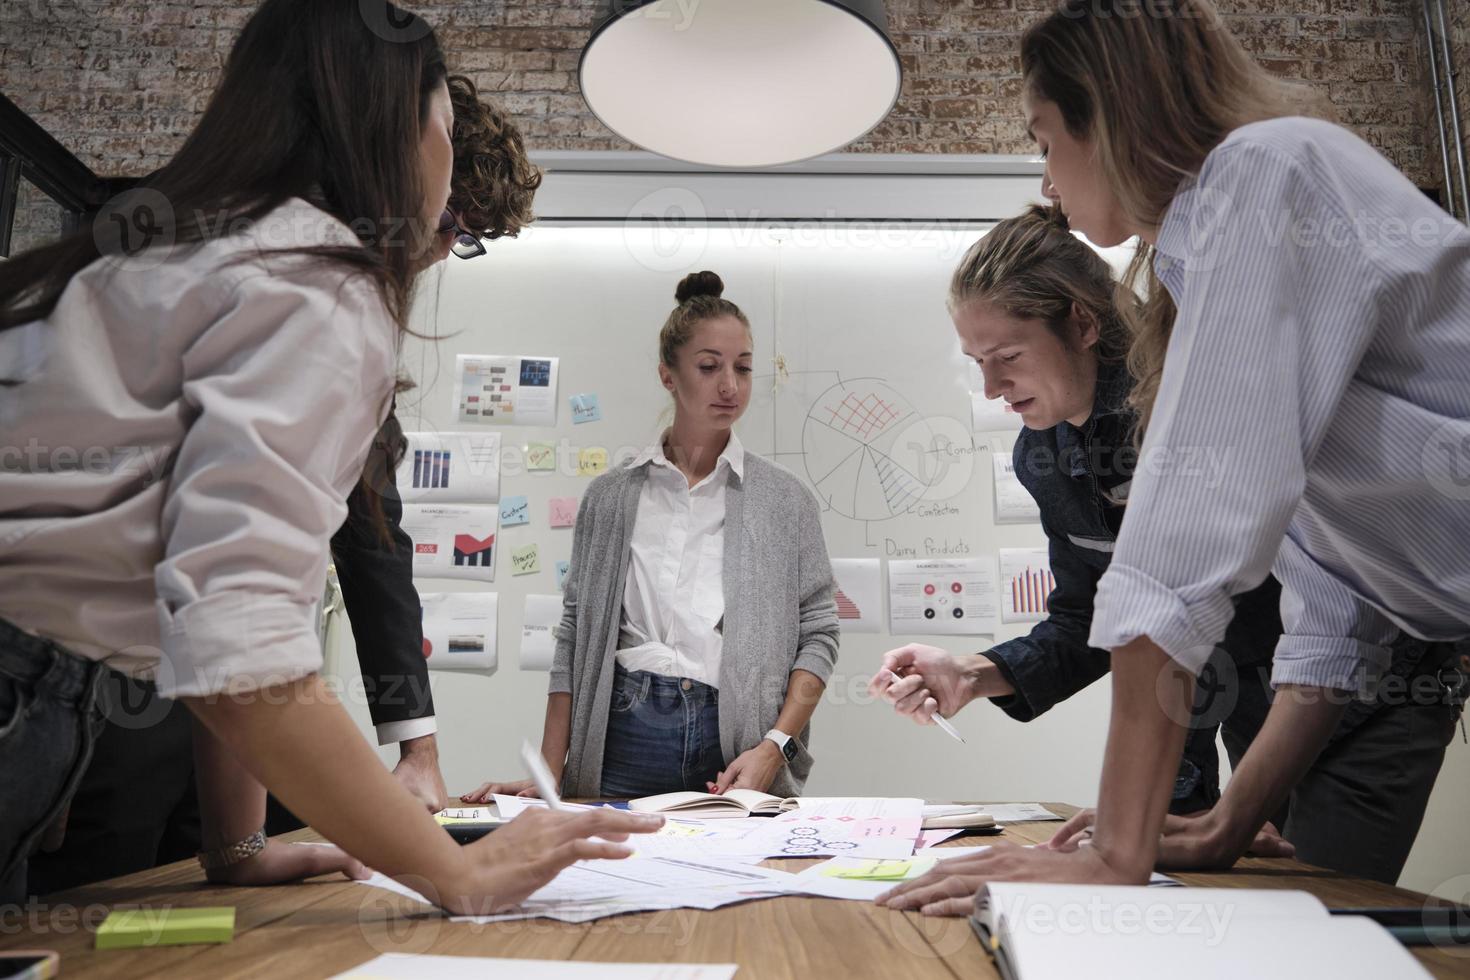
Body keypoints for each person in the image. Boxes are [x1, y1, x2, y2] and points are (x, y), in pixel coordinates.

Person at [0, 0, 658, 913]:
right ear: (399, 133)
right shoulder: (317, 287)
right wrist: (459, 872)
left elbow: (219, 609)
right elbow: (244, 650)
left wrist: (236, 848)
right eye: (444, 125)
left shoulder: (193, 247)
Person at [878, 0, 1469, 914]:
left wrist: (1116, 850)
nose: (1046, 183)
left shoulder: (1265, 174)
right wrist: (1228, 818)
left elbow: (1175, 559)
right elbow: (1332, 605)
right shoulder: (1202, 254)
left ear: (1106, 116)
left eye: (1044, 140)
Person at [870, 203, 1285, 818]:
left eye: (1007, 356)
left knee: (1305, 882)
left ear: (1082, 324)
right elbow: (1087, 622)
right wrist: (969, 672)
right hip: (1181, 707)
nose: (991, 388)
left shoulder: (1184, 403)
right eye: (977, 363)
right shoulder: (1043, 450)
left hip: (1300, 688)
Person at [463, 271, 840, 803]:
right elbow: (575, 636)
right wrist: (550, 773)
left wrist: (775, 745)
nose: (730, 385)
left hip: (735, 744)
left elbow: (819, 635)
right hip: (624, 733)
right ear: (668, 374)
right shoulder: (610, 498)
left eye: (744, 368)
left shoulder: (785, 501)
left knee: (744, 884)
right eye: (708, 367)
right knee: (613, 881)